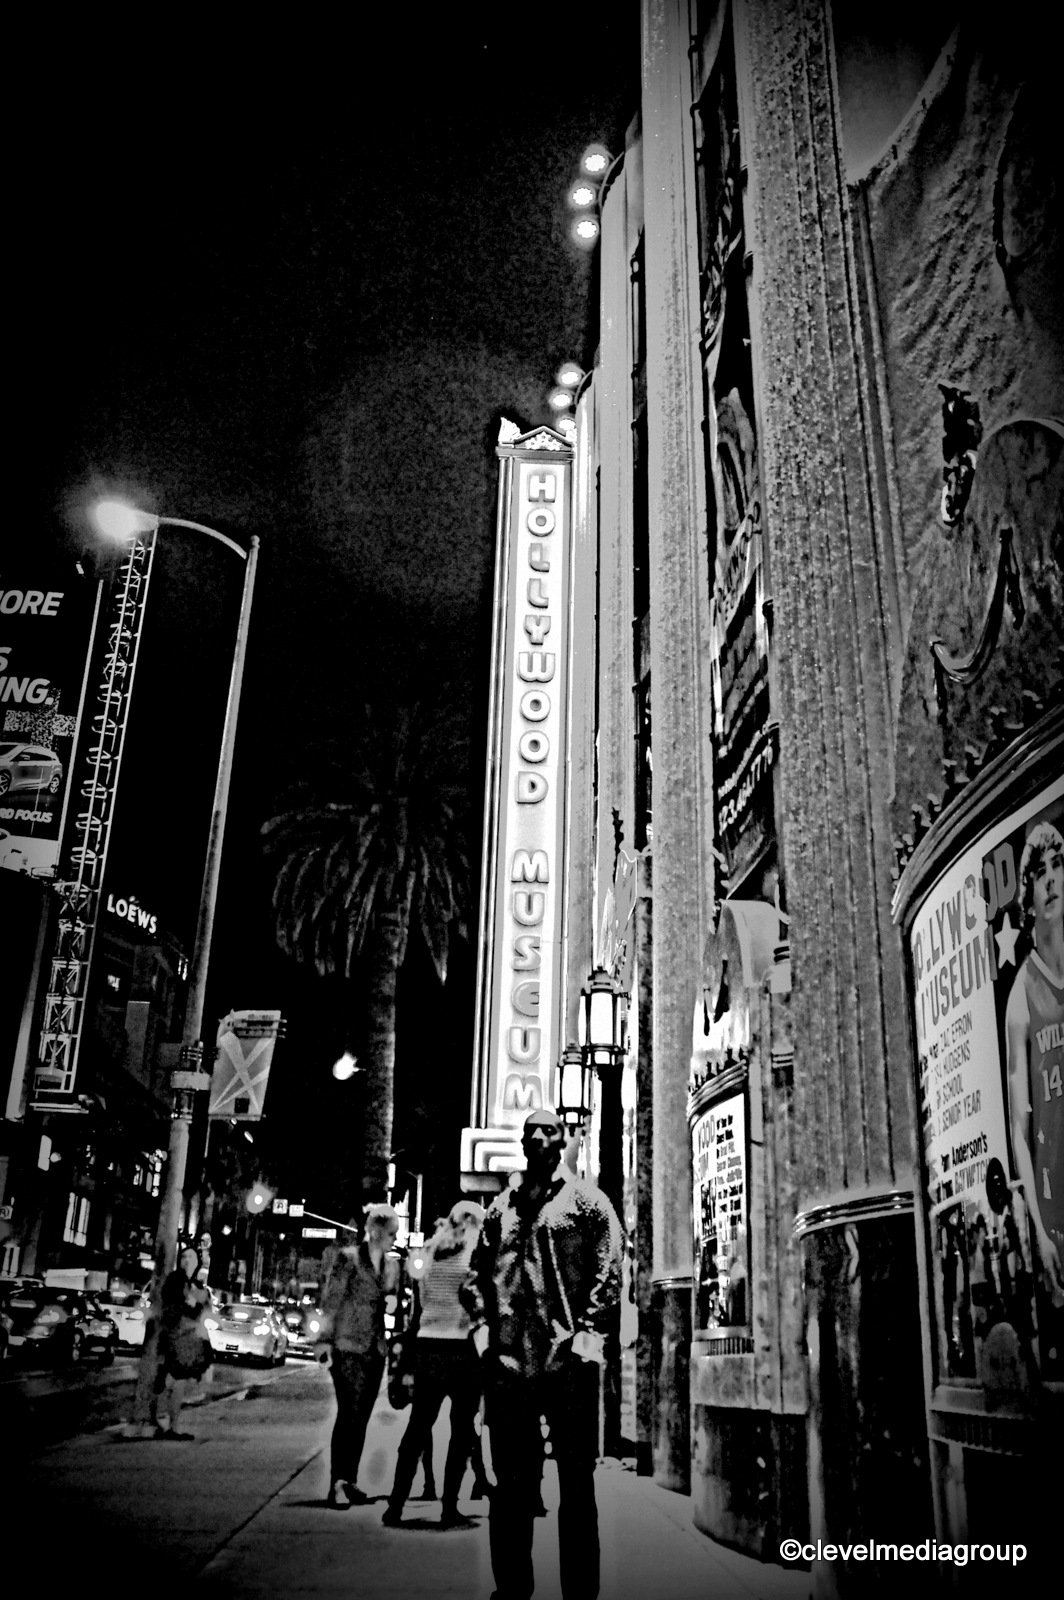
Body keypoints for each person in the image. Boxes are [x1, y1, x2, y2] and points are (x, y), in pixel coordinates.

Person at [462, 1107, 622, 1600]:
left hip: (566, 1365)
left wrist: (585, 1336)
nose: (538, 1137)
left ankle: (580, 1592)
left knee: (576, 1486)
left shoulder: (589, 1204)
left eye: (548, 1130)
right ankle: (511, 1589)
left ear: (564, 1140)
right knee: (510, 1489)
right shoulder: (501, 1209)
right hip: (510, 1366)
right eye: (530, 1131)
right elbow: (476, 1276)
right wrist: (486, 1333)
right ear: (523, 1142)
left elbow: (610, 1272)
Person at [383, 1201, 487, 1529]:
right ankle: (449, 1507)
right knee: (461, 1430)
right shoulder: (472, 1256)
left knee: (418, 1427)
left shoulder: (428, 1253)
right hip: (460, 1348)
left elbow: (420, 1304)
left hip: (427, 1345)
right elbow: (477, 1303)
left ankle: (396, 1504)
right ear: (472, 1223)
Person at [1005, 819, 1064, 1370]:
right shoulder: (1023, 993)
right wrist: (1041, 1235)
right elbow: (1020, 1131)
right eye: (1038, 872)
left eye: (1057, 866)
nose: (1050, 881)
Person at [318, 1202, 400, 1509]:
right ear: (376, 1230)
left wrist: (392, 1302)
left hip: (375, 1348)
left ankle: (350, 1479)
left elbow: (390, 1299)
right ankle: (337, 1482)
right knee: (348, 1412)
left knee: (362, 1416)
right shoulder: (349, 1258)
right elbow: (331, 1301)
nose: (394, 1239)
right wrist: (324, 1341)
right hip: (347, 1345)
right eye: (391, 1232)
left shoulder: (391, 1265)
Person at [153, 1244, 213, 1440]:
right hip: (174, 1336)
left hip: (182, 1338)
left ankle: (169, 1424)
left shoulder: (191, 1283)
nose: (187, 1261)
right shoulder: (177, 1280)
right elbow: (181, 1308)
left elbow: (199, 1310)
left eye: (191, 1258)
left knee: (173, 1381)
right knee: (171, 1380)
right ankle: (168, 1424)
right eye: (184, 1257)